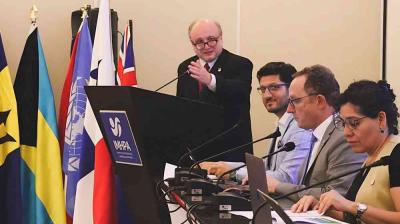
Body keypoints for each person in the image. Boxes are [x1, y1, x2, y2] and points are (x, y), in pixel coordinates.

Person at [291, 80, 400, 224]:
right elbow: (354, 217)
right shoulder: (372, 158)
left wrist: (351, 206)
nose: (347, 132)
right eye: (343, 124)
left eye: (354, 123)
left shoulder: (396, 153)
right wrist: (319, 206)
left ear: (381, 119)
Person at [266, 65, 366, 204]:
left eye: (295, 101)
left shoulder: (343, 137)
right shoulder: (315, 134)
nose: (289, 110)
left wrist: (278, 186)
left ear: (320, 101)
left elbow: (337, 194)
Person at [200, 62, 312, 185]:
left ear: (291, 89)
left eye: (274, 87)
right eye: (263, 89)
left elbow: (287, 178)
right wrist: (223, 165)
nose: (267, 95)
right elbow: (268, 167)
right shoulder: (283, 123)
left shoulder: (300, 127)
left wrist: (233, 173)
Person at [176, 19, 253, 162]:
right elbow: (181, 108)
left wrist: (210, 80)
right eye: (199, 42)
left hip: (229, 152)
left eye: (211, 40)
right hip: (196, 153)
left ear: (221, 37)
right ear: (192, 43)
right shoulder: (186, 67)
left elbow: (240, 92)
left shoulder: (240, 64)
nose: (206, 46)